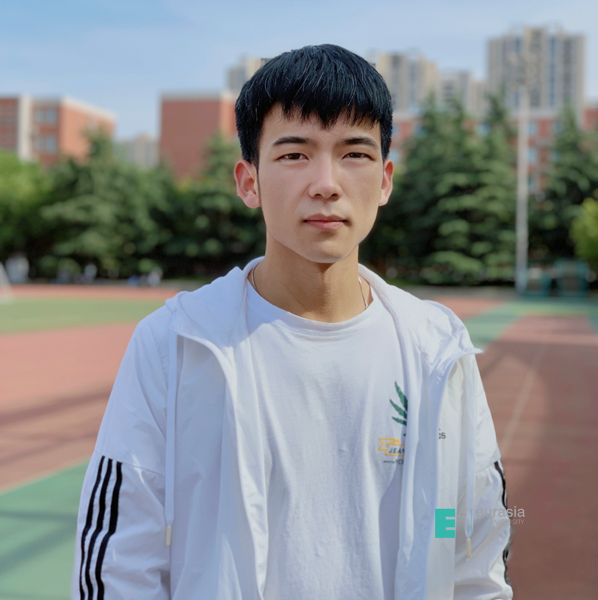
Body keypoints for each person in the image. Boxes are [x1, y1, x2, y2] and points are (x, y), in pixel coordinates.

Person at [71, 44, 513, 599]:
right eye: (295, 154)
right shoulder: (176, 342)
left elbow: (473, 544)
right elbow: (119, 565)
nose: (326, 183)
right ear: (248, 181)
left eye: (355, 153)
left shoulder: (438, 350)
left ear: (385, 180)